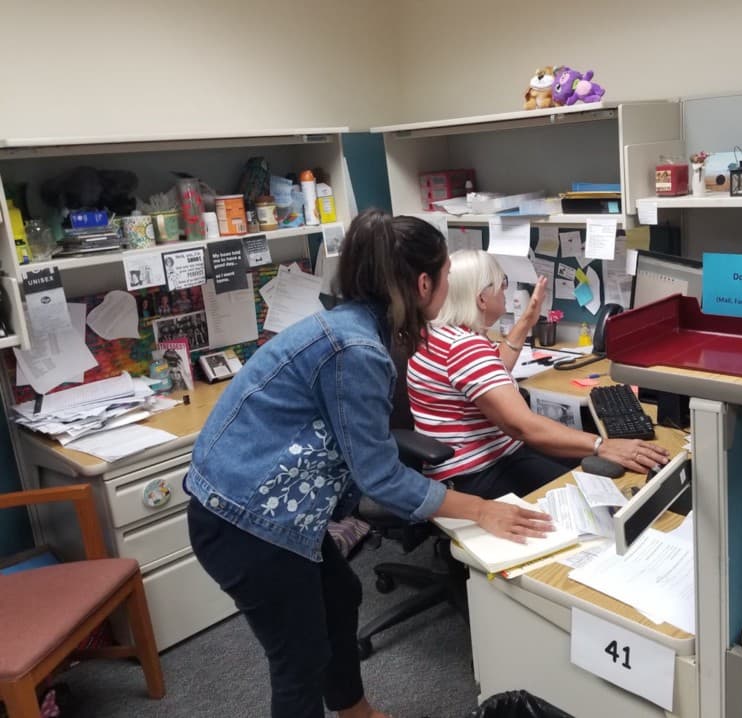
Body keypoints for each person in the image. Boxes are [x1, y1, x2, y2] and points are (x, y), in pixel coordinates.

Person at [185, 212, 552, 718]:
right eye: (446, 277)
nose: (448, 288)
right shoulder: (355, 348)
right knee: (298, 661)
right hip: (245, 519)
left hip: (273, 506)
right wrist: (481, 510)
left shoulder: (357, 327)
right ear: (424, 284)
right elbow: (377, 474)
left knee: (340, 595)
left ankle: (358, 714)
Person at [408, 250, 670, 500]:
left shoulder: (436, 334)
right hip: (478, 473)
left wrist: (527, 320)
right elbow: (522, 426)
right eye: (502, 283)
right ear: (481, 299)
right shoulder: (465, 349)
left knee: (587, 462)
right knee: (597, 490)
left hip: (465, 465)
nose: (505, 290)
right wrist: (603, 445)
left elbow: (489, 373)